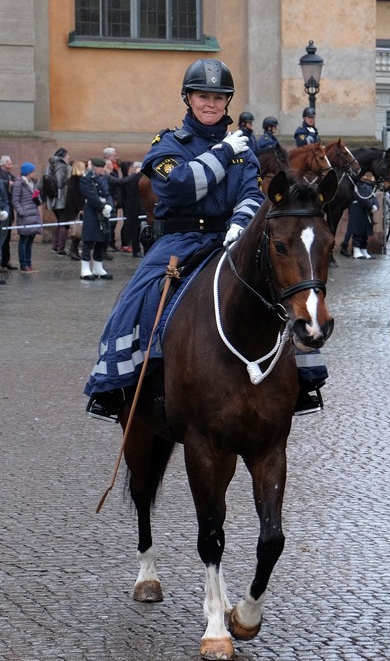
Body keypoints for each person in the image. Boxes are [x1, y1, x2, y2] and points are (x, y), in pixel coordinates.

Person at [84, 59, 328, 420]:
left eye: (218, 97)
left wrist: (240, 225)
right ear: (189, 99)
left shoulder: (244, 150)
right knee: (138, 297)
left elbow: (251, 192)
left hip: (229, 237)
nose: (210, 104)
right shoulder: (168, 143)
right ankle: (116, 383)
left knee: (287, 287)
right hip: (179, 240)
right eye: (203, 96)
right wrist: (223, 152)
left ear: (226, 102)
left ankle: (305, 377)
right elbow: (182, 185)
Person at [79, 158, 115, 281]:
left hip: (104, 213)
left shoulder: (103, 179)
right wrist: (102, 206)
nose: (103, 170)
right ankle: (85, 268)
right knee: (88, 241)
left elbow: (108, 193)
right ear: (95, 167)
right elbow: (90, 195)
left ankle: (98, 267)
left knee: (102, 240)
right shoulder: (86, 179)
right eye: (101, 168)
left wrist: (109, 206)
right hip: (92, 213)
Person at [13, 162, 43, 273]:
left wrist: (37, 199)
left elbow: (38, 200)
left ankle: (29, 263)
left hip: (34, 216)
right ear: (28, 173)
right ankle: (23, 264)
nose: (35, 173)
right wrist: (22, 212)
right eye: (33, 171)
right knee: (24, 240)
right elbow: (15, 201)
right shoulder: (18, 184)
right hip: (25, 216)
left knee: (30, 241)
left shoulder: (34, 183)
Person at [43, 148, 73, 257]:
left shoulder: (49, 165)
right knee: (64, 223)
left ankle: (55, 246)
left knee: (58, 222)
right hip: (62, 199)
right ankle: (60, 248)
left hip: (53, 199)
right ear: (63, 156)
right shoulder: (64, 167)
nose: (69, 157)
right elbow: (62, 183)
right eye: (68, 155)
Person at [0, 155, 14, 274]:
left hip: (6, 211)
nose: (11, 165)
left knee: (6, 238)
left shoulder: (9, 176)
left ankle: (5, 261)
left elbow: (5, 199)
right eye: (9, 163)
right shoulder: (3, 175)